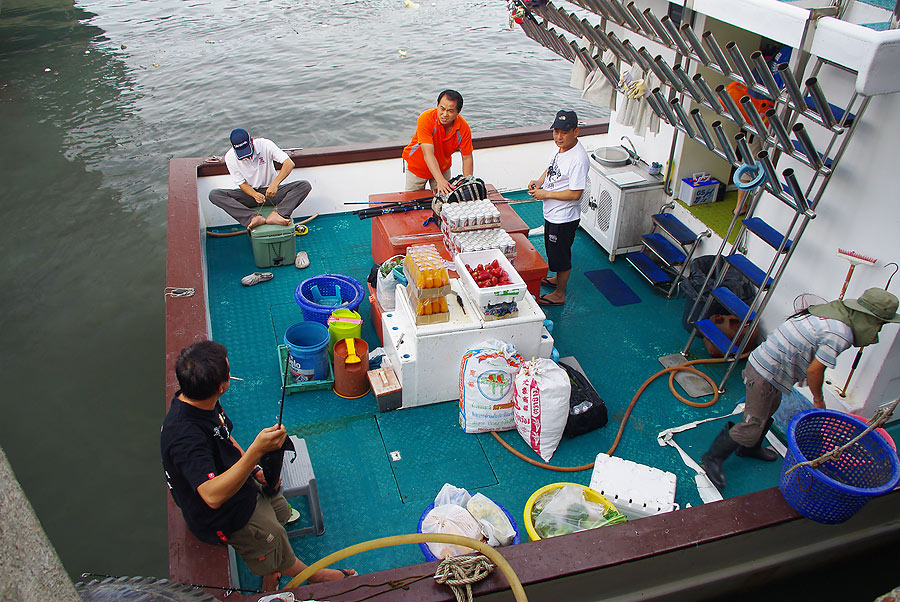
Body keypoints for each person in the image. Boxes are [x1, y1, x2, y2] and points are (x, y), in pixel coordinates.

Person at [161, 340, 355, 583]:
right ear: (221, 386)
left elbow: (224, 436)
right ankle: (309, 576)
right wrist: (255, 451)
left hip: (240, 483)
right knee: (273, 537)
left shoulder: (199, 397)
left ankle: (273, 548)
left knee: (279, 506)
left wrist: (254, 468)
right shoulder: (183, 437)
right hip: (221, 515)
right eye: (228, 371)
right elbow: (211, 496)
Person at [701, 288, 900, 490]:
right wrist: (818, 399)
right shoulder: (840, 334)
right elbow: (816, 370)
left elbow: (805, 342)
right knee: (754, 423)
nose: (879, 330)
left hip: (771, 368)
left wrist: (803, 370)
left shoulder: (834, 313)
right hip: (764, 371)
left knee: (771, 407)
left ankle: (749, 448)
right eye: (880, 324)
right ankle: (712, 458)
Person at [527, 110, 589, 307]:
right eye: (556, 131)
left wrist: (546, 194)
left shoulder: (578, 159)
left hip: (564, 218)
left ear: (576, 131)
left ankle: (560, 293)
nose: (559, 137)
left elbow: (575, 194)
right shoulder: (559, 148)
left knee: (561, 255)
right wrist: (539, 181)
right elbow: (552, 168)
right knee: (553, 252)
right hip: (552, 213)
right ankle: (557, 280)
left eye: (564, 132)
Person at [209, 129, 311, 230]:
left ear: (252, 141)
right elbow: (242, 183)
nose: (247, 156)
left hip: (271, 192)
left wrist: (275, 184)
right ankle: (252, 217)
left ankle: (279, 214)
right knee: (215, 194)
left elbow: (289, 164)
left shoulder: (265, 144)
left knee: (304, 185)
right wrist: (254, 194)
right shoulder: (230, 157)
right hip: (250, 195)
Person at [401, 90, 474, 196]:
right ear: (437, 105)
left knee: (445, 200)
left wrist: (468, 184)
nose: (444, 114)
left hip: (443, 167)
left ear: (458, 112)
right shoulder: (425, 119)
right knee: (411, 202)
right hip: (418, 168)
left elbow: (467, 157)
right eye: (442, 108)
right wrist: (440, 180)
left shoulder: (463, 128)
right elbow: (428, 153)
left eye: (450, 111)